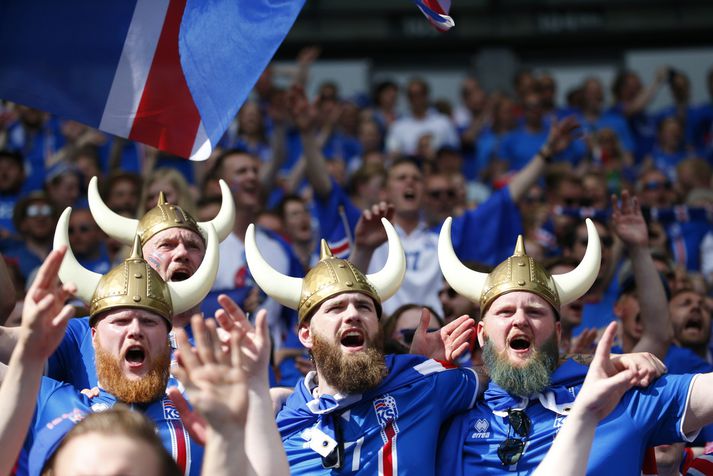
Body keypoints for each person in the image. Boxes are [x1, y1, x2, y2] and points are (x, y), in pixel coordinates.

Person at [437, 216, 713, 474]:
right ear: (482, 334)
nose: (520, 319)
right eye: (506, 312)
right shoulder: (454, 416)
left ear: (558, 332)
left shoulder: (614, 395)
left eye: (534, 312)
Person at [245, 217, 481, 474]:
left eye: (364, 306)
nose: (352, 315)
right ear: (305, 335)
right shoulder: (280, 421)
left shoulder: (422, 386)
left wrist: (431, 366)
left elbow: (501, 379)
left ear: (378, 326)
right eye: (336, 308)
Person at [11, 222, 219, 475]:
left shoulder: (199, 414)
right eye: (121, 321)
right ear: (94, 337)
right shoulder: (52, 400)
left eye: (148, 322)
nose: (135, 330)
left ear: (168, 338)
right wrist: (27, 355)